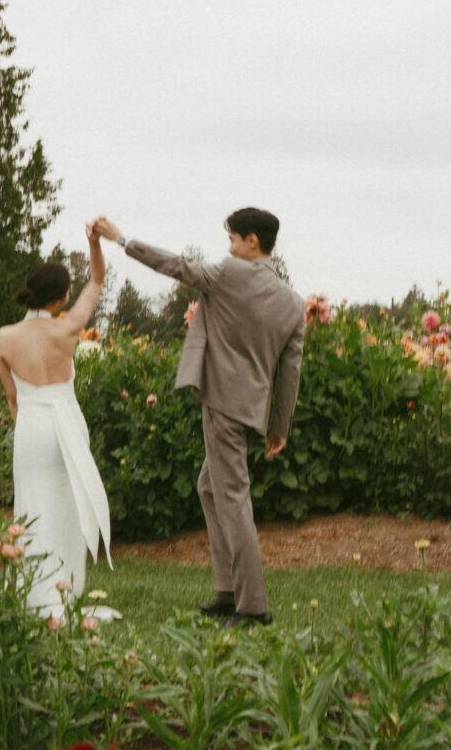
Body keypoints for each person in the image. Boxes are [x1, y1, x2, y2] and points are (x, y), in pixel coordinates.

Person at [92, 208, 305, 628]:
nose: (228, 247)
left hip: (223, 405)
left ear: (252, 242)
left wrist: (121, 239)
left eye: (231, 239)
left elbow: (174, 265)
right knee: (209, 487)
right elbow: (290, 371)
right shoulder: (293, 304)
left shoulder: (228, 274)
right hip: (251, 411)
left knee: (232, 498)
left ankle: (252, 607)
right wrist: (280, 425)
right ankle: (228, 590)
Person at [0, 225, 112, 614]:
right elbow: (97, 278)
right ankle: (66, 587)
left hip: (31, 427)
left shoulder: (4, 337)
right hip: (67, 424)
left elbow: (13, 399)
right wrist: (94, 241)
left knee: (32, 506)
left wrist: (27, 428)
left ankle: (33, 592)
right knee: (67, 506)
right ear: (62, 298)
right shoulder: (67, 327)